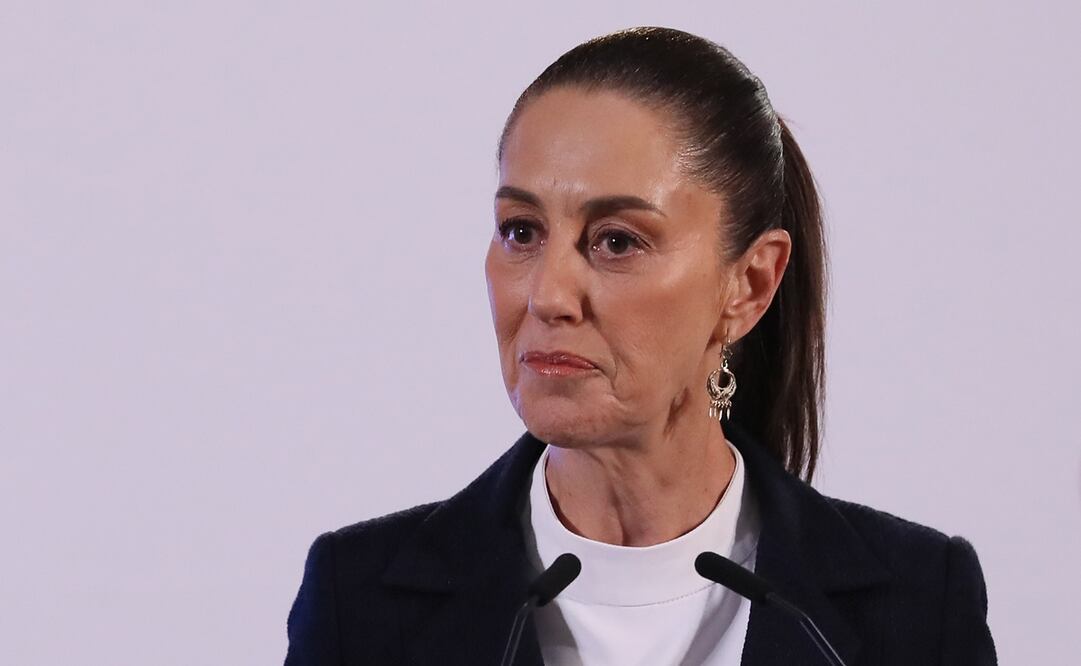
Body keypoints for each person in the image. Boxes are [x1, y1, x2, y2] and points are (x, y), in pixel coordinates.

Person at [284, 27, 996, 665]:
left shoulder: (916, 606)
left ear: (748, 285)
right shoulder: (362, 604)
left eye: (616, 241)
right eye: (520, 231)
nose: (547, 296)